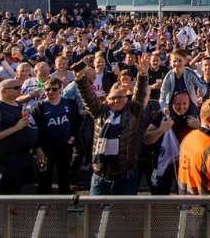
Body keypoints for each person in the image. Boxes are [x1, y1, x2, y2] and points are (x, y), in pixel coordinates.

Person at [77, 54, 150, 195]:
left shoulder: (132, 111)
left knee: (125, 214)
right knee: (96, 215)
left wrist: (143, 74)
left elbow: (140, 94)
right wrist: (80, 80)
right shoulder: (100, 111)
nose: (117, 101)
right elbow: (87, 96)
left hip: (125, 175)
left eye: (121, 97)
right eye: (113, 98)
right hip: (100, 176)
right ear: (106, 100)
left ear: (127, 98)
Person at [0, 78, 38, 193]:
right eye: (16, 88)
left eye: (20, 87)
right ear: (3, 91)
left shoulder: (19, 105)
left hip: (23, 158)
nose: (20, 90)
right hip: (5, 161)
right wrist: (16, 128)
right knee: (8, 193)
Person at [32, 77, 81, 194]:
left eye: (54, 89)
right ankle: (45, 207)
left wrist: (73, 137)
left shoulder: (69, 103)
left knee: (64, 175)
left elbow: (77, 121)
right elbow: (34, 131)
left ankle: (64, 204)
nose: (51, 92)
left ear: (60, 89)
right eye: (47, 89)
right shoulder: (39, 108)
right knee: (44, 177)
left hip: (65, 145)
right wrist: (37, 149)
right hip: (46, 148)